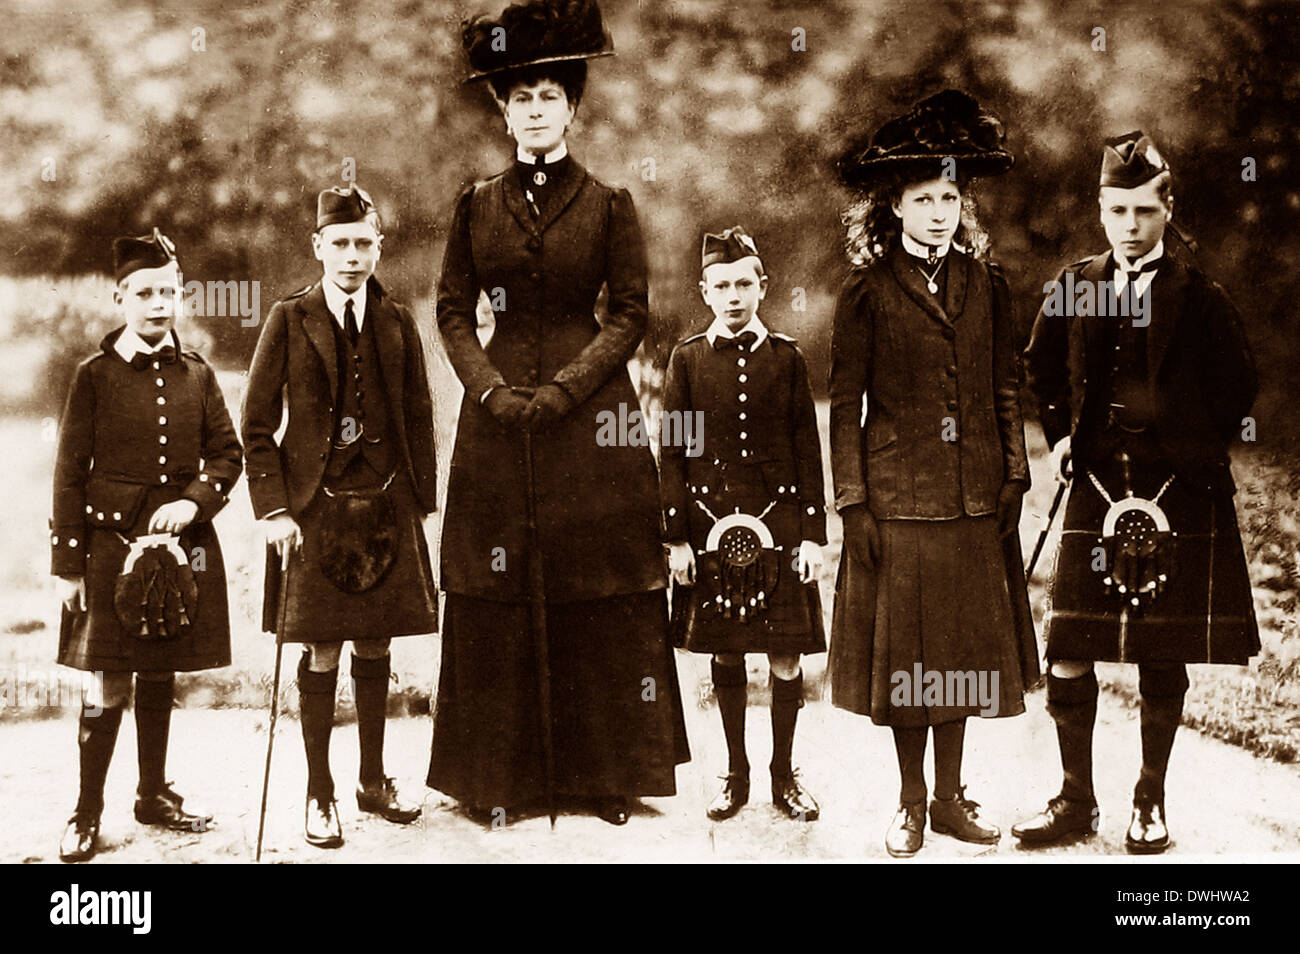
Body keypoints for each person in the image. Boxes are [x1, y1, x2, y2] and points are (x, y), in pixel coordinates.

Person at [429, 0, 689, 827]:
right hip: (497, 416)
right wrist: (489, 389)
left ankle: (604, 777)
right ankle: (497, 778)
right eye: (521, 97)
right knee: (495, 580)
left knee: (598, 583)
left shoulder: (610, 203)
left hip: (592, 418)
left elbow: (631, 312)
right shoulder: (476, 204)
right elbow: (449, 308)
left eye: (550, 95)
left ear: (573, 108)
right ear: (503, 113)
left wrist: (571, 389)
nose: (535, 109)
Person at [1015, 132, 1259, 854]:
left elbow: (1239, 385)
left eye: (1143, 211)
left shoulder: (1201, 295)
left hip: (1176, 488)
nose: (1129, 225)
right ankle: (1074, 800)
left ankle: (1149, 802)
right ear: (1100, 208)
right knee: (1069, 647)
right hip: (1095, 480)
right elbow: (1041, 366)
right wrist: (1060, 434)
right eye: (1116, 210)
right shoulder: (1077, 279)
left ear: (1167, 209)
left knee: (1160, 649)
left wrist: (1187, 439)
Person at [827, 90, 1039, 857]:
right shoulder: (867, 289)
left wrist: (1015, 473)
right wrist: (853, 504)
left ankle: (951, 798)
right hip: (899, 501)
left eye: (951, 196)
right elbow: (843, 401)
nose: (941, 211)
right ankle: (911, 800)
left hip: (976, 497)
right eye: (924, 198)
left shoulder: (989, 283)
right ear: (894, 205)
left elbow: (1005, 386)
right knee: (911, 661)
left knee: (959, 656)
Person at [241, 184, 439, 848]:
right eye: (341, 244)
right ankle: (318, 791)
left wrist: (418, 504)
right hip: (313, 511)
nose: (353, 257)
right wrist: (273, 509)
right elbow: (257, 425)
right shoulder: (289, 318)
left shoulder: (398, 320)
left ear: (378, 247)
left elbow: (418, 415)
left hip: (384, 508)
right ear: (318, 247)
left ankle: (373, 781)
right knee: (323, 646)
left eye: (364, 244)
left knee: (378, 642)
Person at [51, 229, 242, 862]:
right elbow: (68, 472)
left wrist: (194, 501)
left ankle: (153, 793)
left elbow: (226, 453)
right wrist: (67, 565)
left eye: (169, 291)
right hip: (109, 551)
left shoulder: (198, 374)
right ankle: (85, 813)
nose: (159, 303)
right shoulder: (94, 377)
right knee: (107, 680)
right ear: (119, 298)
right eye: (144, 292)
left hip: (180, 551)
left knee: (159, 669)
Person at [661, 227, 826, 822]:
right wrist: (676, 538)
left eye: (744, 283)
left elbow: (809, 451)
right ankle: (737, 774)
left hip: (779, 532)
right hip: (709, 533)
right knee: (726, 655)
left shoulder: (788, 358)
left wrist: (812, 535)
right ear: (705, 291)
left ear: (763, 286)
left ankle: (785, 775)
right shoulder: (685, 359)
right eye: (721, 285)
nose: (734, 296)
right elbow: (673, 453)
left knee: (785, 657)